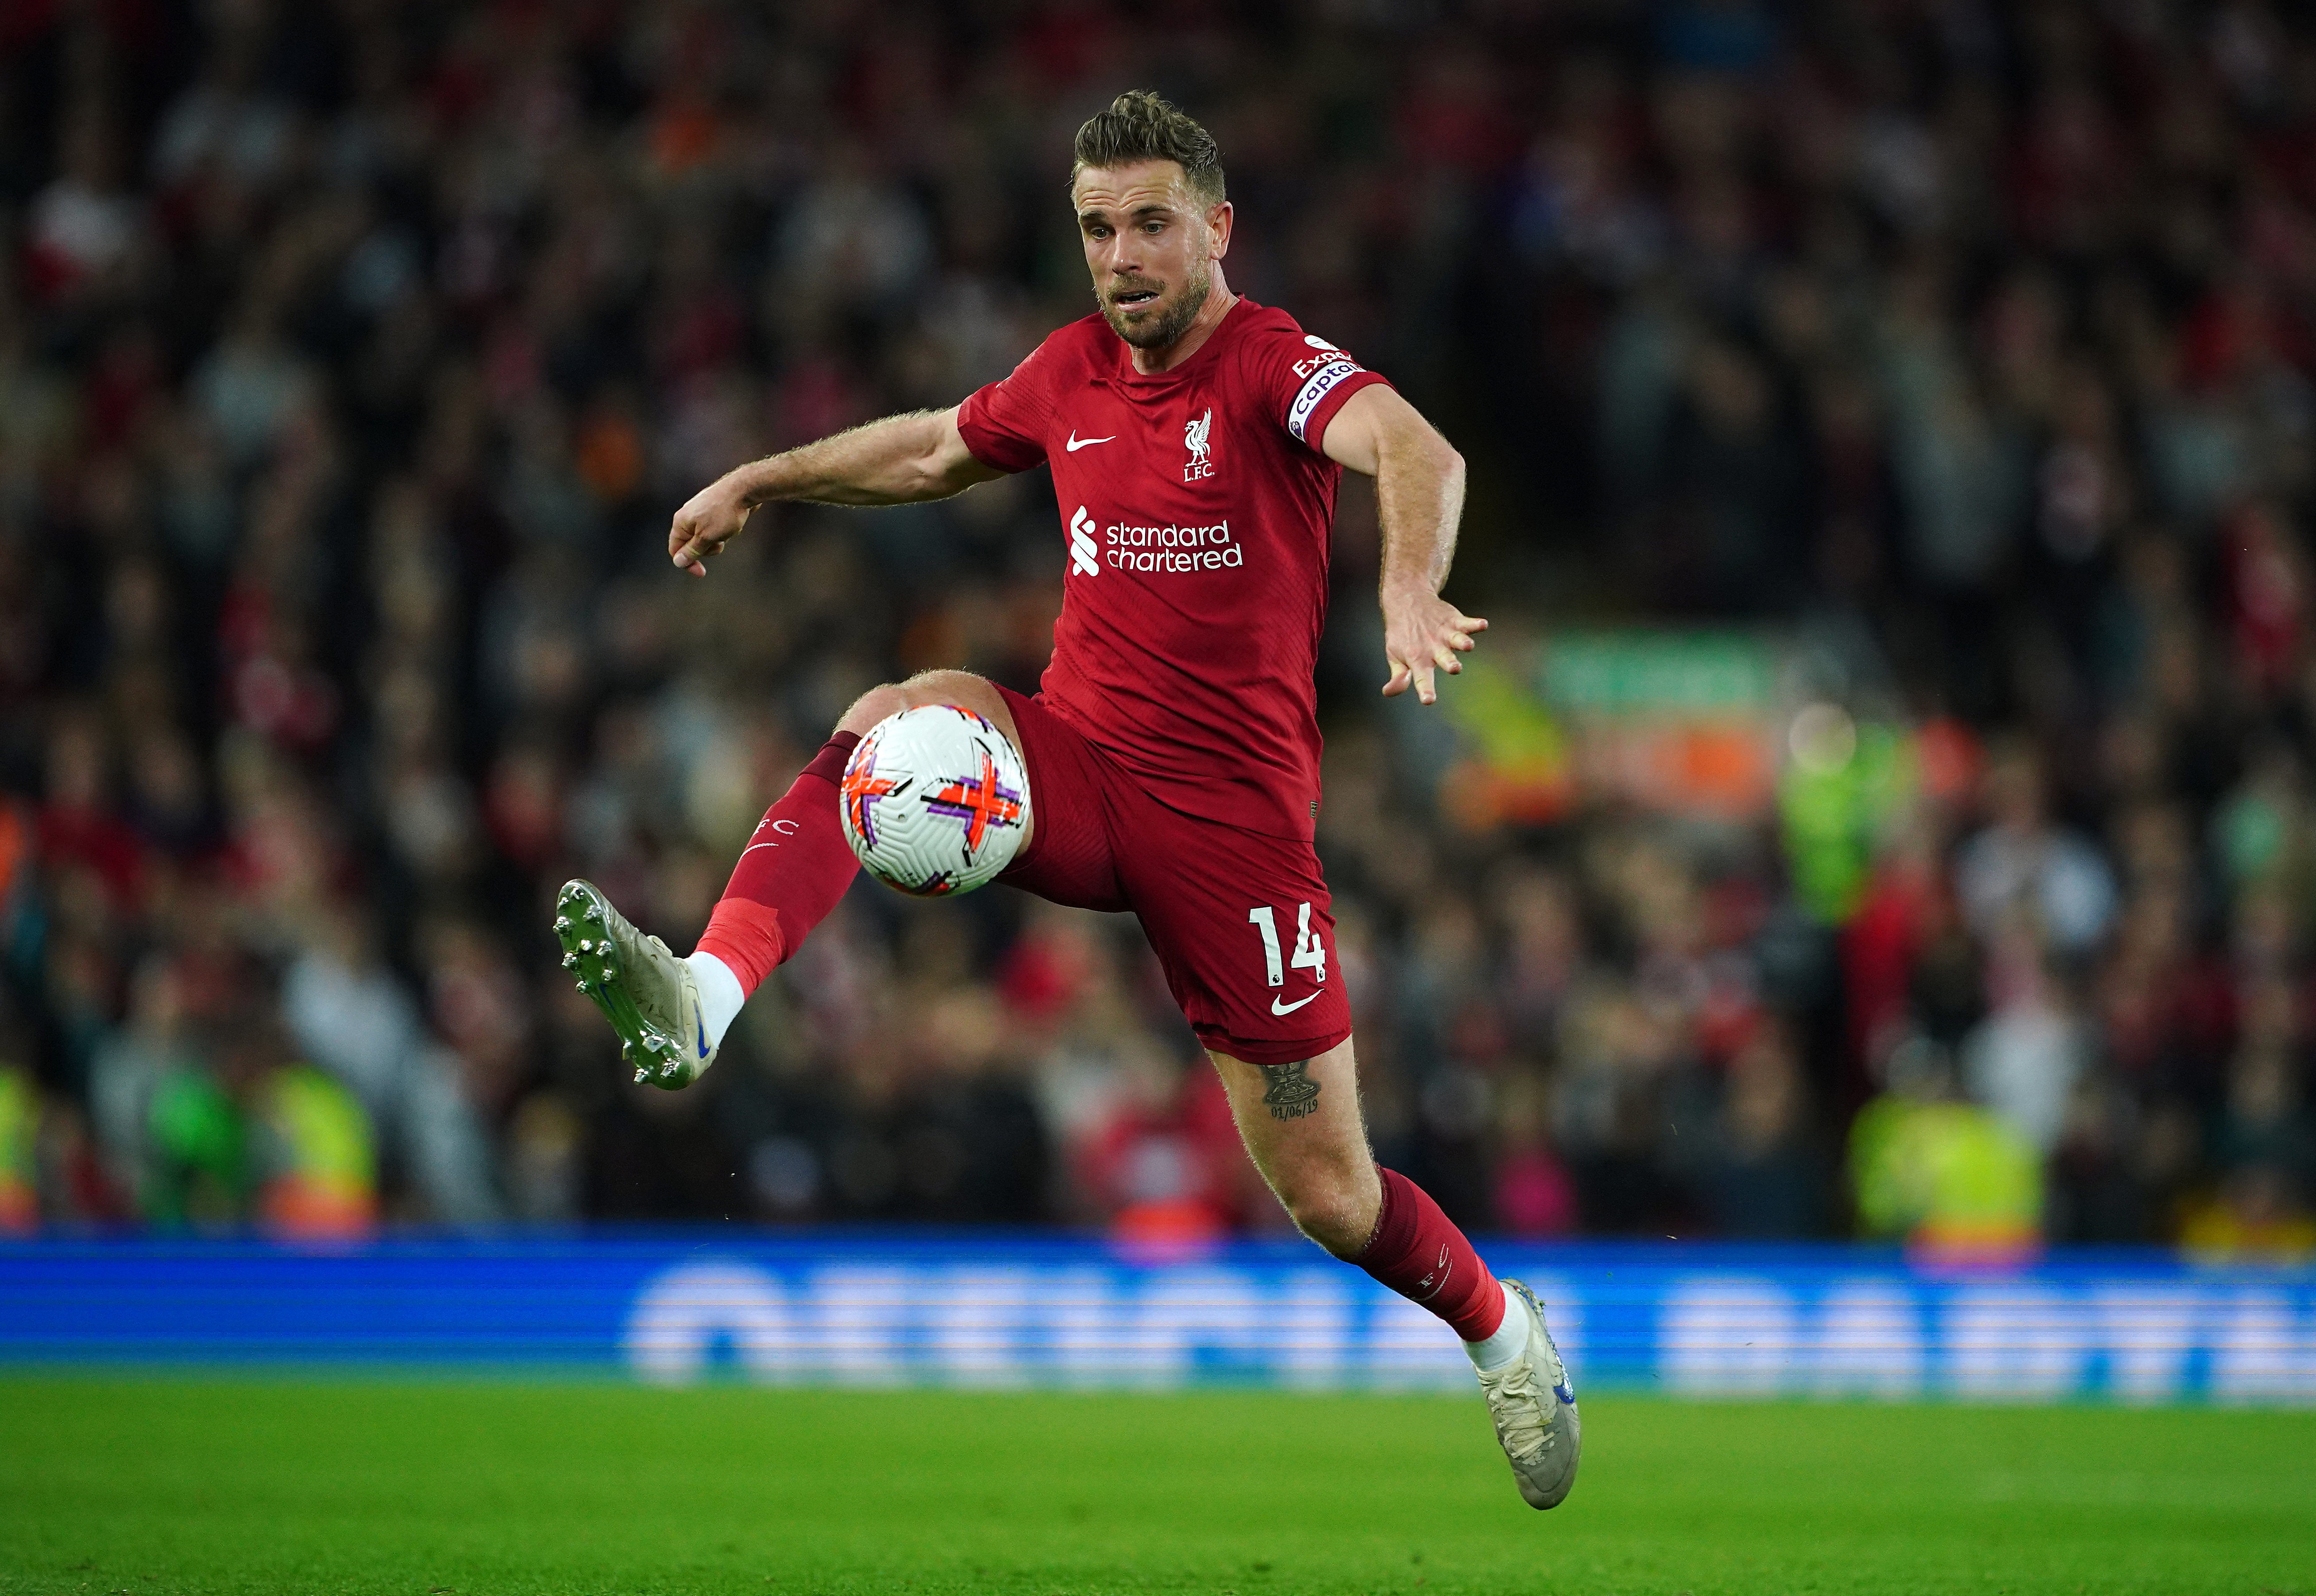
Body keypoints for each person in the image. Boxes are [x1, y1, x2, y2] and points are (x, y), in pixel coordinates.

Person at [553, 91, 1578, 1510]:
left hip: (1234, 835)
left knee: (1330, 1195)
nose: (1120, 257)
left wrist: (1408, 584)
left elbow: (1420, 450)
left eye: (1150, 224)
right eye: (1097, 229)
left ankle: (1502, 1330)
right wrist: (761, 478)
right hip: (1076, 770)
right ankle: (701, 1001)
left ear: (1216, 229)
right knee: (885, 722)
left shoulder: (1272, 364)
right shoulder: (1072, 371)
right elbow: (927, 447)